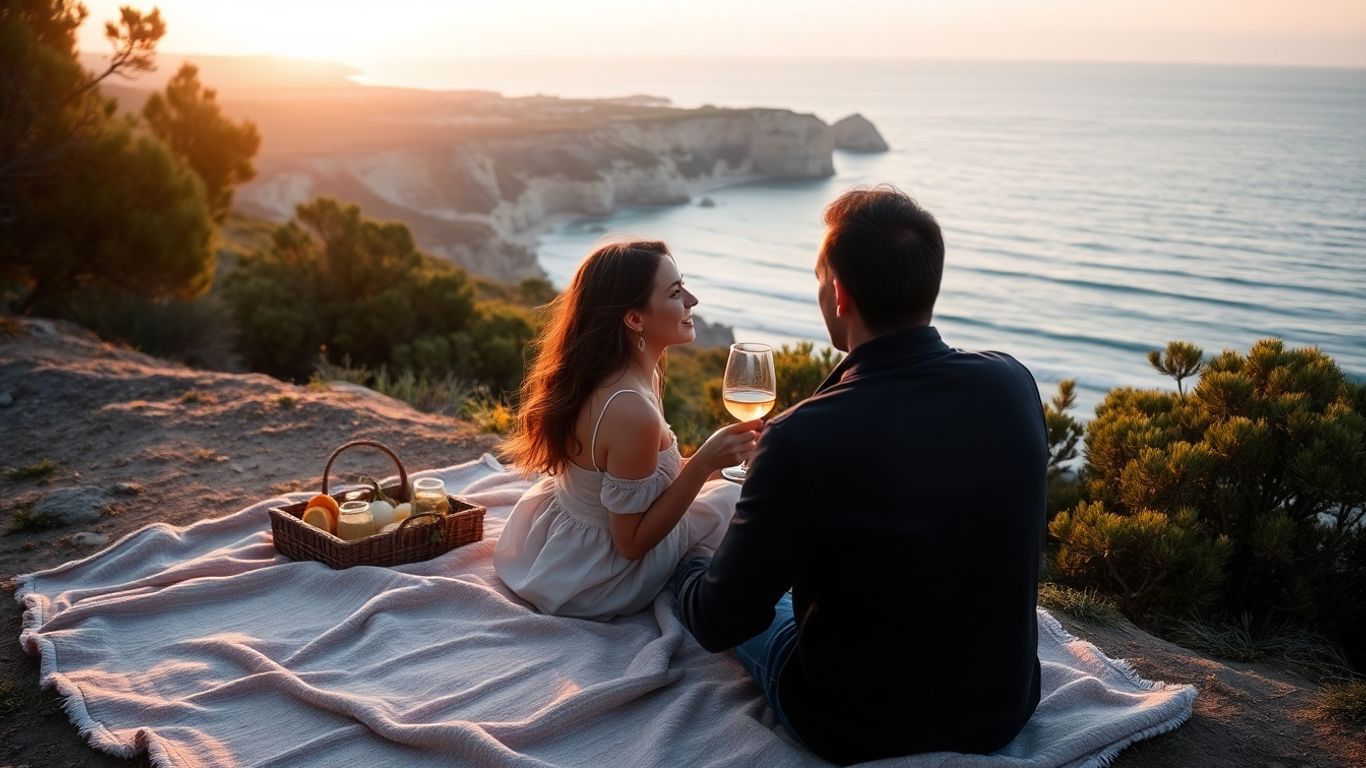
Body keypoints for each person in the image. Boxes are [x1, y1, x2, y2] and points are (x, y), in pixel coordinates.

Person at [673, 187, 1047, 764]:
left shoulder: (801, 437)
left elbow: (720, 621)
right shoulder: (1012, 383)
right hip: (1002, 707)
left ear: (840, 293)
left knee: (708, 583)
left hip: (855, 726)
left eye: (820, 279)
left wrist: (692, 570)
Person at [494, 240, 762, 621]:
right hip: (594, 577)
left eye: (682, 285)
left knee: (737, 488)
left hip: (555, 540)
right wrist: (703, 464)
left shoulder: (629, 372)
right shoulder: (630, 409)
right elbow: (631, 544)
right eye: (674, 292)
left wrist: (722, 460)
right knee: (742, 504)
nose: (692, 300)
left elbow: (650, 479)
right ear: (635, 319)